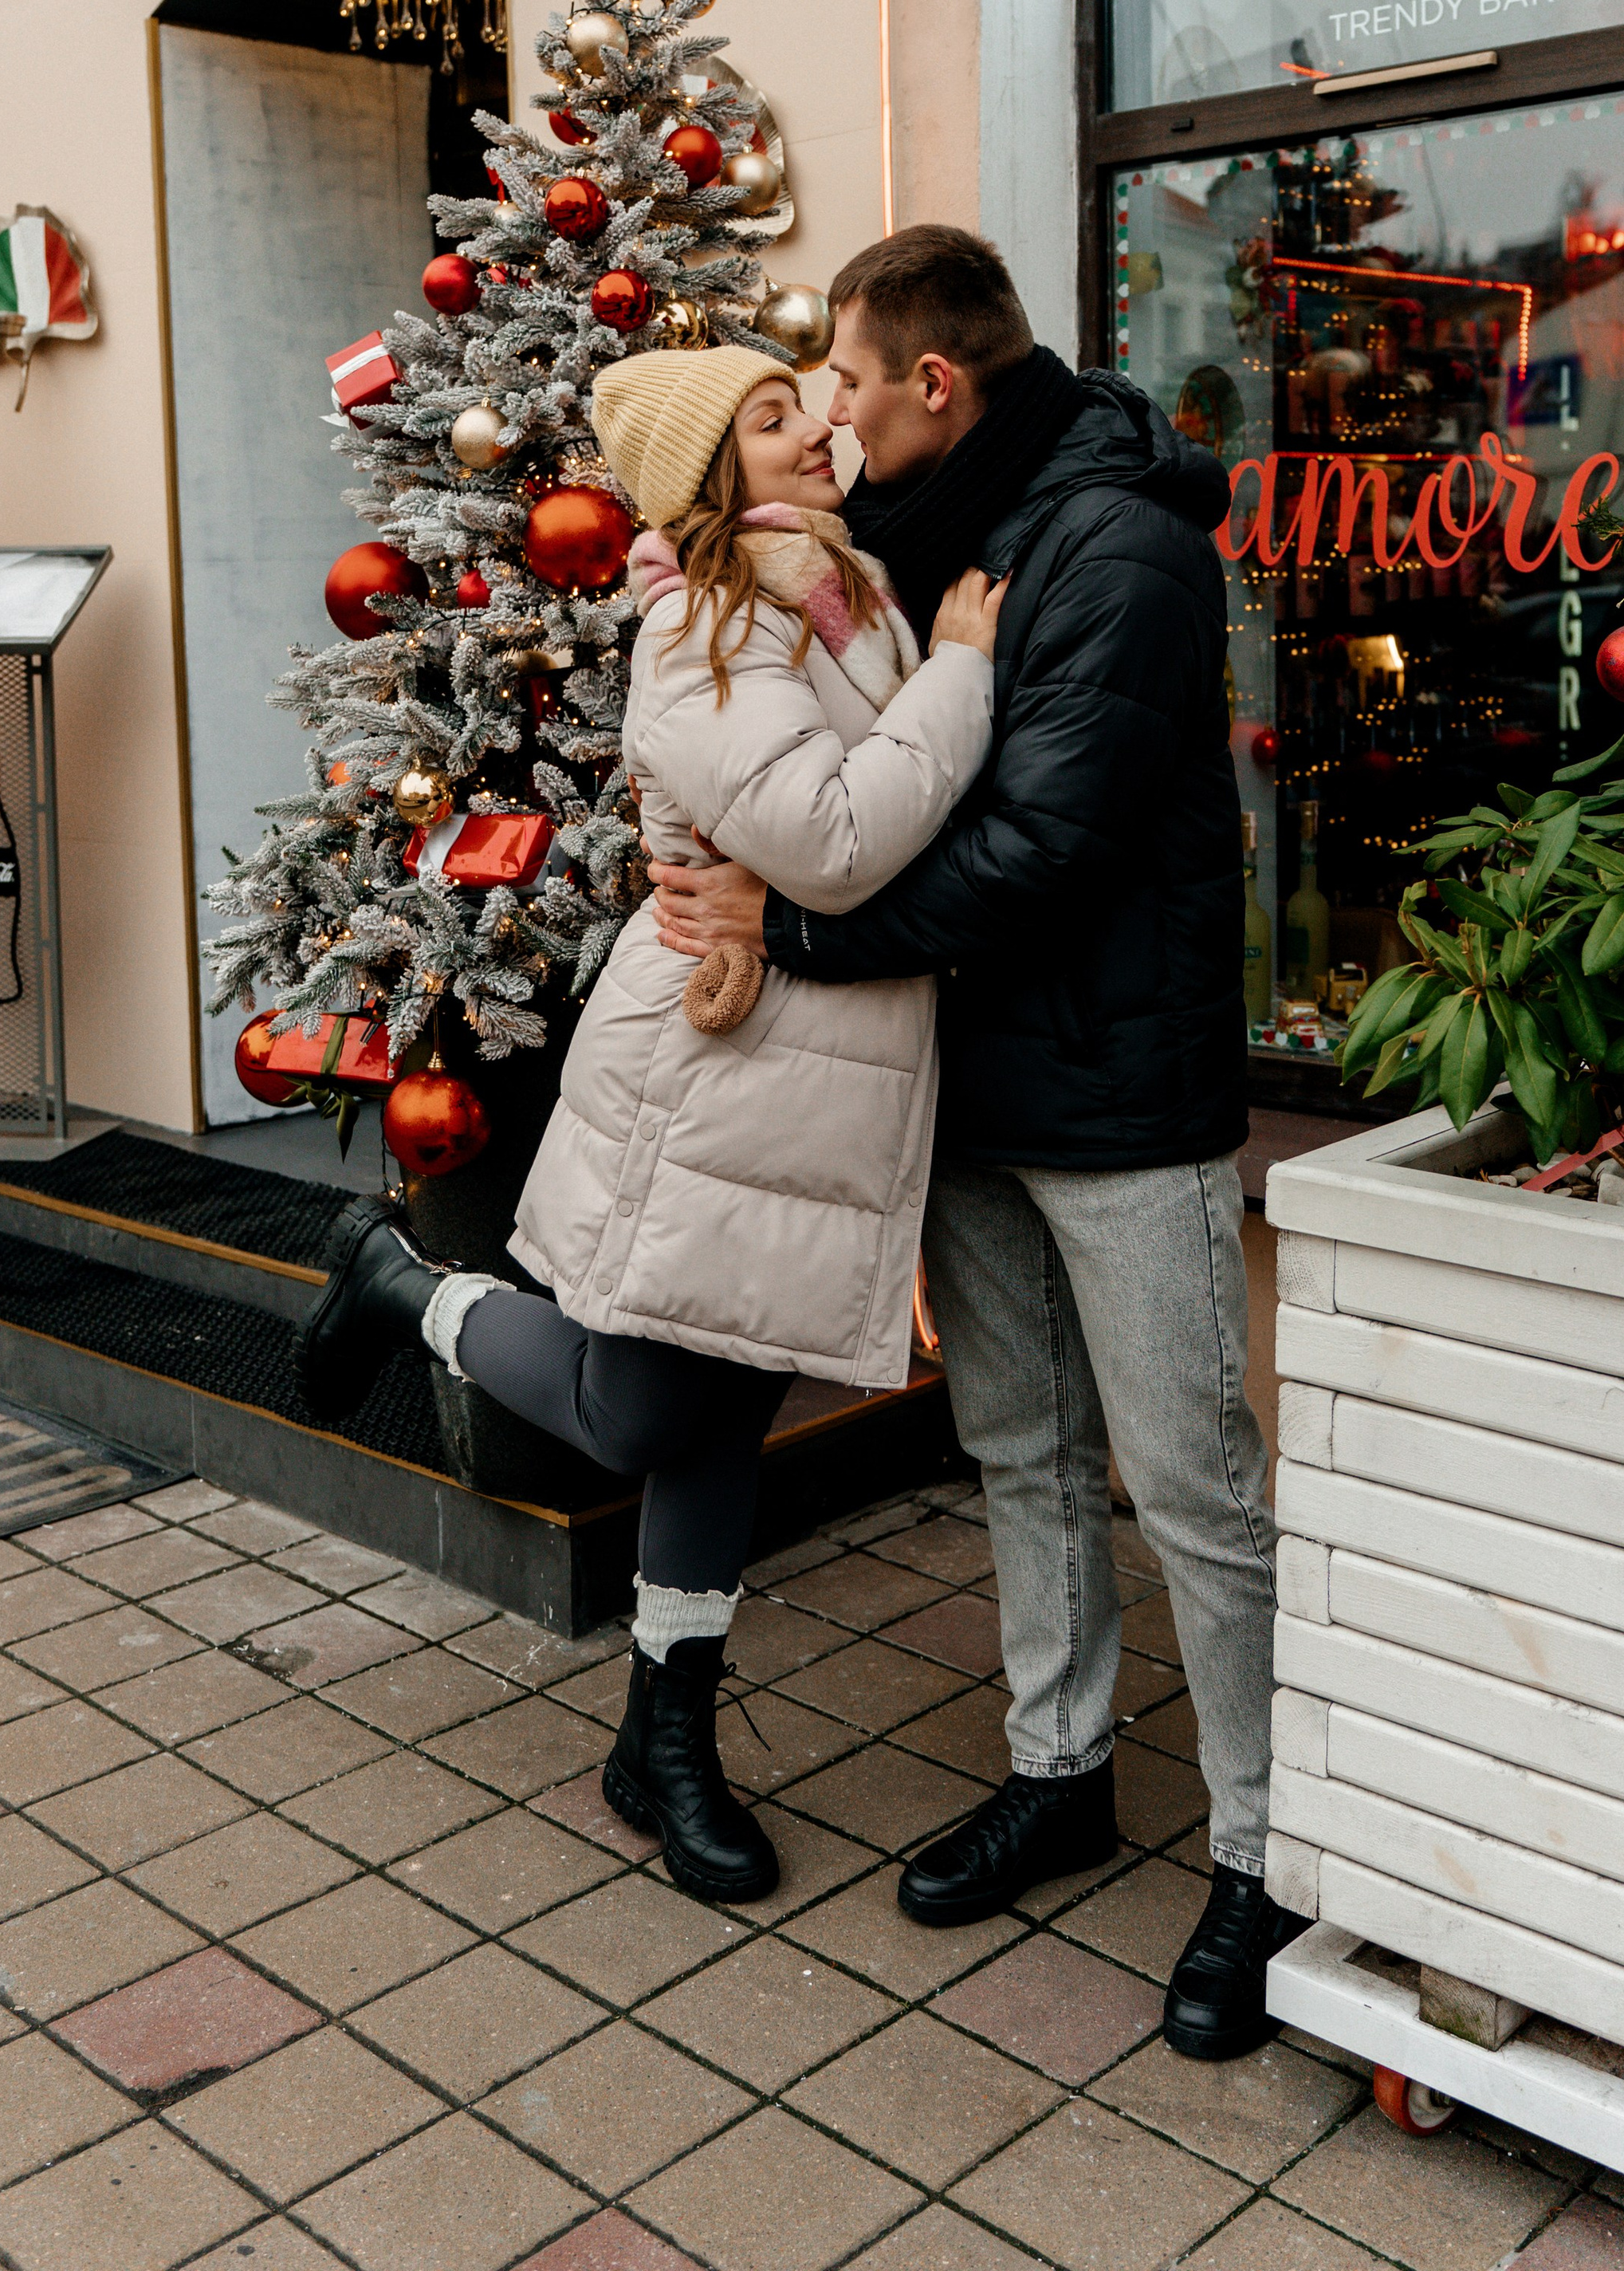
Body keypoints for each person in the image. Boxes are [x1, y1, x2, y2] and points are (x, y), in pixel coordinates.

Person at [647, 223, 1296, 2060]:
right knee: (1019, 1448)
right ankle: (1058, 1769)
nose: (832, 418)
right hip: (967, 1087)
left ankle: (1266, 1853)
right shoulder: (914, 544)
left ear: (935, 381)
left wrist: (792, 931)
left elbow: (1030, 849)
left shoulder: (1117, 548)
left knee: (1191, 1487)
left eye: (848, 383)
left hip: (1117, 1101)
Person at [296, 340, 1005, 1907]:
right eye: (772, 419)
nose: (817, 429)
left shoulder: (847, 596)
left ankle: (661, 1742)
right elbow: (833, 839)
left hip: (812, 1083)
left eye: (805, 402)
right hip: (714, 1073)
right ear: (705, 476)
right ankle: (403, 1284)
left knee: (718, 1416)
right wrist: (961, 678)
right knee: (640, 1417)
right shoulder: (705, 627)